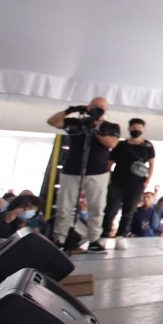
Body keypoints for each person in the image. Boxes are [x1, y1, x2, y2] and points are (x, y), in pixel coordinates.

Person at [46, 97, 120, 252]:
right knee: (65, 208)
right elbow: (52, 122)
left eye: (102, 107)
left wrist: (95, 127)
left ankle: (94, 240)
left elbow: (111, 143)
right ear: (88, 107)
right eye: (95, 106)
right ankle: (59, 239)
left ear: (106, 110)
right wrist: (70, 110)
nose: (99, 109)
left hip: (98, 172)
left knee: (97, 207)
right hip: (71, 170)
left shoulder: (111, 126)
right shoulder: (77, 123)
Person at [100, 118, 155, 251]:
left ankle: (122, 236)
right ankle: (104, 236)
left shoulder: (147, 146)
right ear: (129, 128)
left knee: (129, 212)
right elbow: (110, 163)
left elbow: (151, 164)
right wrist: (108, 178)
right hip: (117, 183)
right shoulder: (120, 145)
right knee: (110, 210)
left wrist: (147, 181)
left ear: (143, 129)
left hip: (136, 184)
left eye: (139, 128)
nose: (137, 130)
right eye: (134, 127)